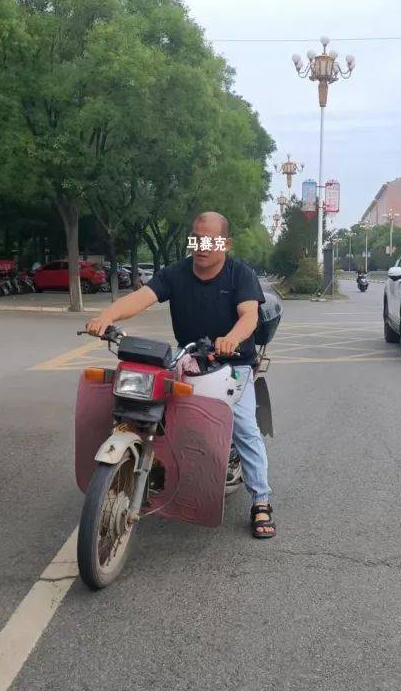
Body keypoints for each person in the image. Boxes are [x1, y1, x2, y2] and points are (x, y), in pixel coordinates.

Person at [85, 211, 276, 538]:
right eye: (196, 238)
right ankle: (142, 468)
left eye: (209, 239)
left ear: (225, 243)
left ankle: (261, 499)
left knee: (243, 426)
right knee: (147, 402)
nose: (201, 246)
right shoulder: (176, 273)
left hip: (234, 363)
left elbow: (249, 316)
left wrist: (233, 338)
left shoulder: (239, 274)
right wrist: (107, 315)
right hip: (188, 356)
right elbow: (142, 298)